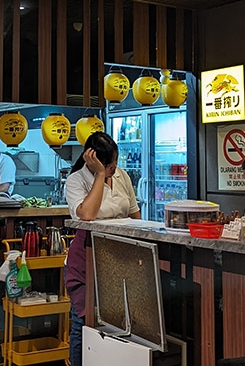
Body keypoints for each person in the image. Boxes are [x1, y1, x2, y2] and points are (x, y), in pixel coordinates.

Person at [64, 132, 140, 366]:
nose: (114, 169)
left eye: (116, 163)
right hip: (87, 259)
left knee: (116, 324)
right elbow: (86, 214)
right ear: (92, 159)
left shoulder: (123, 176)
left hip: (120, 259)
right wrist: (98, 175)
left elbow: (134, 213)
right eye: (109, 165)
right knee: (83, 321)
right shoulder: (77, 180)